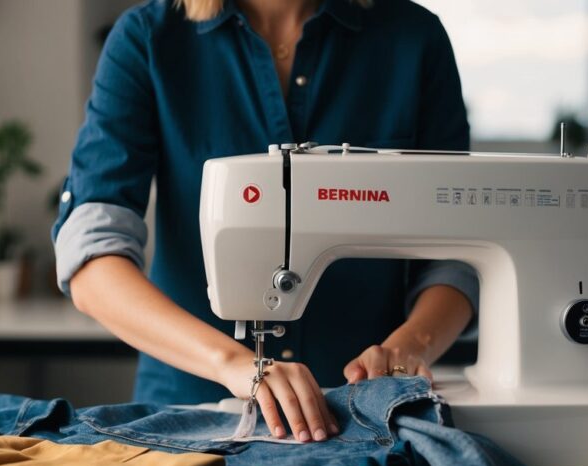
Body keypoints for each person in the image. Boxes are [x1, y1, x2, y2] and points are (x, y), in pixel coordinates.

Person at [52, 0, 478, 443]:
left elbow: (458, 251)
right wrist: (230, 363)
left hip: (365, 415)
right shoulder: (148, 39)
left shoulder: (414, 40)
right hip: (189, 414)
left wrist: (408, 347)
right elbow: (91, 254)